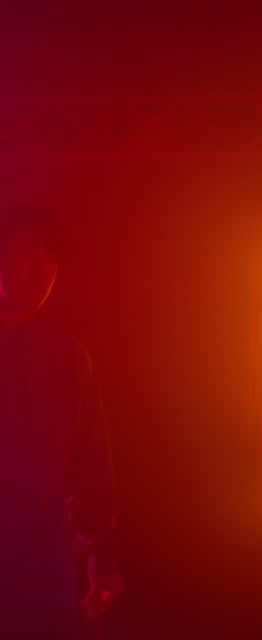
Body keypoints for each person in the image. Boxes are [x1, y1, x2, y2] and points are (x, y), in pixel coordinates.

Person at [0, 204, 122, 634]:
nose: (39, 269)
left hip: (43, 559)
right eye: (25, 253)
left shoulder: (68, 358)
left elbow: (93, 464)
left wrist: (101, 556)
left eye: (49, 256)